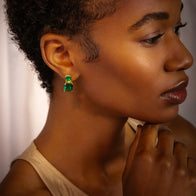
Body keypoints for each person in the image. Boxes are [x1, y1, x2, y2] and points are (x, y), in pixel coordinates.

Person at [0, 0, 196, 195]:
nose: (185, 58)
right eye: (153, 37)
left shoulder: (175, 146)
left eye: (178, 28)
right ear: (63, 55)